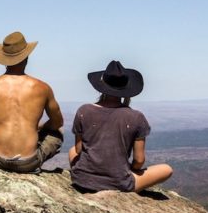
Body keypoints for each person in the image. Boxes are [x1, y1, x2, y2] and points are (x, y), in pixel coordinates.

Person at [69, 60, 172, 192]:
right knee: (167, 169)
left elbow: (78, 150)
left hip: (82, 180)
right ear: (127, 88)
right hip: (119, 183)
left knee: (72, 150)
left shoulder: (83, 110)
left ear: (102, 85)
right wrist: (124, 169)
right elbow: (139, 160)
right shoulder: (136, 117)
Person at [0, 31, 64, 173]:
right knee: (57, 133)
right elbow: (58, 123)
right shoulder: (42, 87)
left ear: (4, 60)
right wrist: (39, 128)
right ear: (26, 57)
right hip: (29, 163)